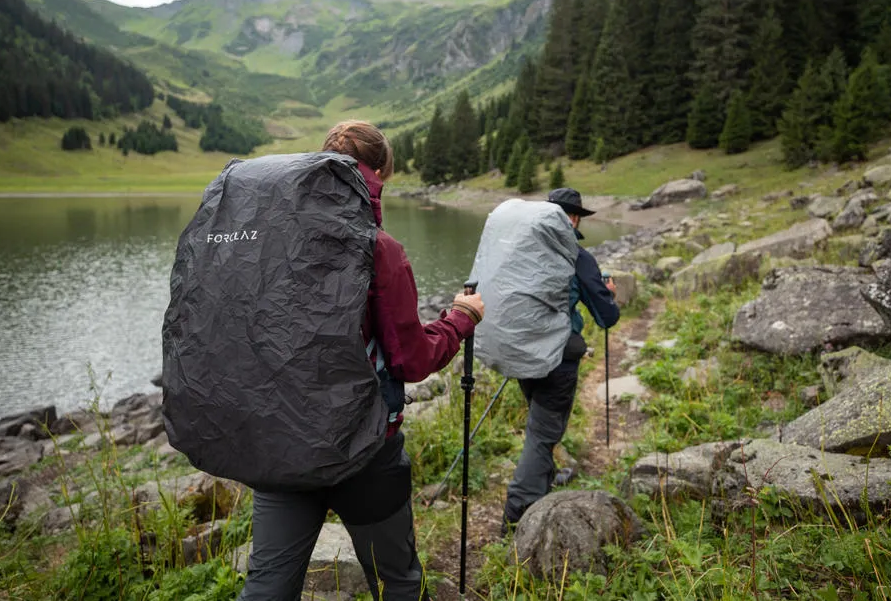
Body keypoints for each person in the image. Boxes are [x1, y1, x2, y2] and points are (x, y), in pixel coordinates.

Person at [238, 121, 485, 601]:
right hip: (365, 451)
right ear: (379, 177)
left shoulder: (267, 242)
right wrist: (460, 319)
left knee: (267, 588)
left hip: (279, 445)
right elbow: (412, 360)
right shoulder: (379, 249)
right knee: (398, 582)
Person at [502, 187, 620, 534]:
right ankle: (517, 512)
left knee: (540, 426)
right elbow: (606, 317)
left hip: (522, 352)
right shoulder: (576, 256)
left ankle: (544, 480)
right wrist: (609, 295)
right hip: (558, 359)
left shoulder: (523, 249)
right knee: (542, 434)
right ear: (572, 217)